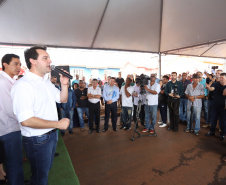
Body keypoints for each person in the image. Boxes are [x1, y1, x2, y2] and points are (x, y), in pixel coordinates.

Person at [11, 46, 70, 185]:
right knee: (40, 178)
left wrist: (65, 85)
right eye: (45, 58)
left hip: (51, 136)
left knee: (43, 173)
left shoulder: (45, 82)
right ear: (33, 61)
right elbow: (26, 121)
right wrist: (58, 124)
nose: (50, 61)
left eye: (49, 57)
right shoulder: (23, 86)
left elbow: (62, 99)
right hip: (37, 140)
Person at [0, 54, 24, 185]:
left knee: (12, 162)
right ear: (5, 64)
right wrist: (27, 120)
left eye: (19, 64)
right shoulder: (3, 83)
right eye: (15, 64)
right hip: (9, 128)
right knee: (14, 163)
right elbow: (10, 110)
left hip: (10, 127)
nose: (18, 67)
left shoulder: (9, 81)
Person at [205, 73, 226, 141]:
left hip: (224, 108)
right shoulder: (217, 84)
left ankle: (222, 134)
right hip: (215, 106)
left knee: (223, 122)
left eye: (222, 77)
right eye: (220, 77)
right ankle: (212, 131)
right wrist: (208, 87)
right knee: (213, 119)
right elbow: (212, 88)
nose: (220, 79)